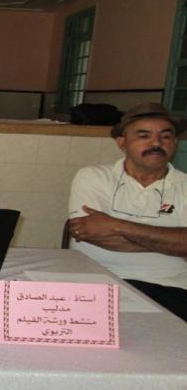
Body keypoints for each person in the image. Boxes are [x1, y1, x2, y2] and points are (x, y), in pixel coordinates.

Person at [68, 102, 187, 321]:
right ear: (122, 143)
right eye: (144, 136)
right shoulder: (94, 177)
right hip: (97, 281)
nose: (156, 143)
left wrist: (115, 225)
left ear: (175, 143)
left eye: (166, 136)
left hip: (172, 286)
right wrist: (172, 243)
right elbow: (90, 233)